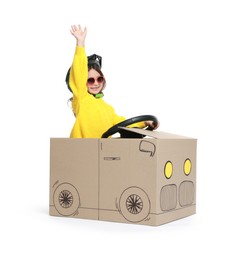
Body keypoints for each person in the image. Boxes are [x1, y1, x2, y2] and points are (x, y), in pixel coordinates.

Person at [66, 24, 159, 138]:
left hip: (103, 152)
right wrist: (80, 44)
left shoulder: (107, 108)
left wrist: (144, 123)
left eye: (99, 79)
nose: (96, 83)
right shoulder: (81, 98)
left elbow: (122, 123)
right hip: (84, 150)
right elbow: (78, 72)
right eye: (90, 80)